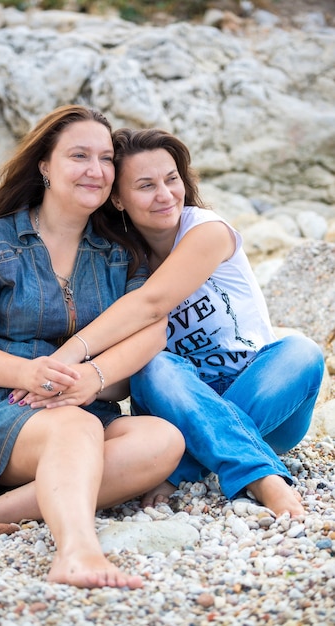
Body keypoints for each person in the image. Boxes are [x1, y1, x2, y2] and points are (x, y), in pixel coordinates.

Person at [0, 107, 186, 589]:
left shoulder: (120, 249)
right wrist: (28, 374)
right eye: (79, 155)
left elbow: (151, 331)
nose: (97, 170)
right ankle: (77, 551)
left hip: (81, 403)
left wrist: (93, 380)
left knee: (163, 441)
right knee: (74, 426)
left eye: (106, 158)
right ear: (45, 165)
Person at [32, 126, 324, 519]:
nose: (166, 195)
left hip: (263, 399)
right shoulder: (118, 261)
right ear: (117, 198)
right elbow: (125, 366)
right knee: (153, 364)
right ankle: (258, 472)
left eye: (172, 180)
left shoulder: (207, 231)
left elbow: (153, 304)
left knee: (302, 351)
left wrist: (68, 356)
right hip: (175, 406)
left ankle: (184, 468)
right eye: (146, 185)